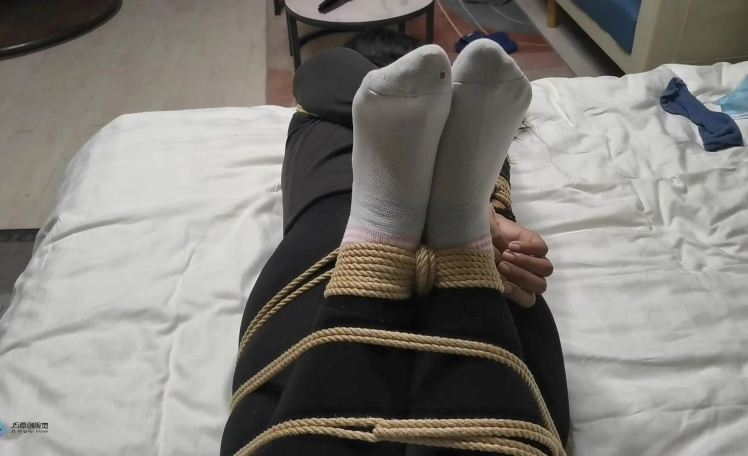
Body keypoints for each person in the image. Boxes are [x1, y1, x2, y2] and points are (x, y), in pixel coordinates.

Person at [220, 32, 570, 456]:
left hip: (344, 229)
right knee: (515, 393)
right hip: (391, 219)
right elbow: (319, 71)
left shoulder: (331, 122)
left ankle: (403, 237)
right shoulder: (317, 110)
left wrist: (490, 215)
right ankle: (443, 235)